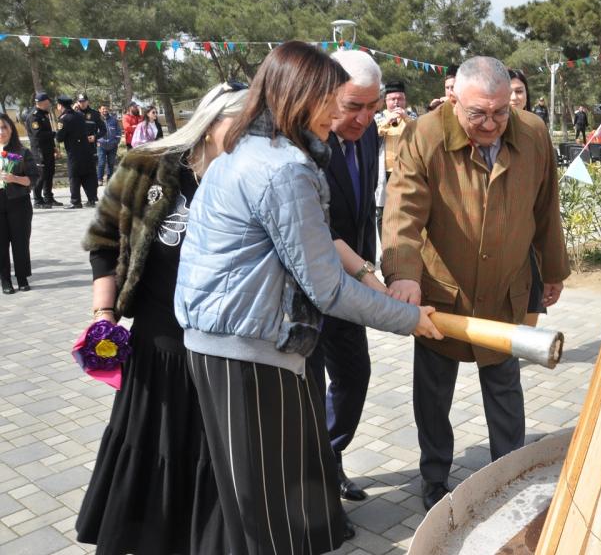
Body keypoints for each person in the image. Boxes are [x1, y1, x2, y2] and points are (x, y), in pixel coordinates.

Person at [174, 41, 442, 555]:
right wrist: (408, 318)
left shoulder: (248, 152)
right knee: (269, 507)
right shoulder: (284, 169)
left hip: (228, 341)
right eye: (330, 99)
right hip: (248, 351)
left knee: (246, 497)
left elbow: (319, 251)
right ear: (299, 97)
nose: (338, 114)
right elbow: (326, 288)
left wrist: (373, 280)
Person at [381, 56, 570, 511]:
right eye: (477, 114)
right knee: (433, 395)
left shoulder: (533, 133)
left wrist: (553, 270)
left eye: (500, 112)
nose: (490, 124)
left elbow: (546, 208)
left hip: (505, 290)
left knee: (505, 389)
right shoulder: (424, 135)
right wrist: (403, 275)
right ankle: (434, 478)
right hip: (443, 293)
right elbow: (403, 211)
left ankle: (509, 476)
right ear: (453, 99)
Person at [75, 82, 250, 555]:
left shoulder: (252, 176)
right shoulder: (146, 165)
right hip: (159, 348)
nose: (250, 135)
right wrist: (104, 314)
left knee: (214, 460)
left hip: (225, 350)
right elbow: (104, 242)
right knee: (155, 450)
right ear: (211, 121)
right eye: (242, 123)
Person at [304, 50, 383, 541]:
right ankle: (316, 489)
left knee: (354, 377)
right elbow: (320, 229)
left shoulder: (368, 134)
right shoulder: (302, 143)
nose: (364, 119)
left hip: (353, 286)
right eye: (354, 106)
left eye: (373, 107)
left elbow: (362, 211)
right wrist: (369, 277)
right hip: (308, 291)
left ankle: (329, 456)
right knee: (310, 388)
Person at [508, 68, 547, 327]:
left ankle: (524, 341)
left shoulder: (536, 128)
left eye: (519, 91)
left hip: (530, 226)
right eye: (509, 92)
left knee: (533, 294)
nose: (514, 97)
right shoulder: (488, 132)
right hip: (502, 231)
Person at [0, 112, 39, 294]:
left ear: (11, 129)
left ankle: (22, 277)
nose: (1, 131)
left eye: (4, 127)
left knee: (20, 242)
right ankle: (5, 280)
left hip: (18, 202)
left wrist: (14, 178)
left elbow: (33, 178)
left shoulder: (22, 152)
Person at [374, 80, 416, 239]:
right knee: (382, 211)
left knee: (405, 209)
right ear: (386, 101)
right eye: (392, 99)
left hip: (405, 170)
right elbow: (372, 136)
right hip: (384, 172)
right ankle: (385, 244)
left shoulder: (411, 116)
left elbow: (420, 133)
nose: (396, 102)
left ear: (405, 100)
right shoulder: (378, 117)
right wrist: (387, 121)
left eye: (400, 99)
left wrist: (405, 118)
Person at [56, 95, 99, 208]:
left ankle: (75, 201)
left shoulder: (64, 118)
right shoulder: (79, 115)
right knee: (86, 174)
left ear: (60, 105)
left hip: (73, 151)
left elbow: (59, 138)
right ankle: (91, 199)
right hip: (86, 149)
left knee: (74, 175)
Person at [26, 92, 61, 209]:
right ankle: (37, 200)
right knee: (41, 175)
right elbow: (38, 135)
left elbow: (47, 134)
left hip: (48, 149)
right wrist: (54, 134)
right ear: (40, 103)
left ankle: (48, 198)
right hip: (39, 151)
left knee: (49, 173)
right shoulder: (34, 116)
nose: (49, 104)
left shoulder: (43, 114)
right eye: (47, 102)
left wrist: (54, 148)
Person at [77, 94, 108, 170]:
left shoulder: (95, 114)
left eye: (84, 101)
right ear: (77, 102)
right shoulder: (74, 114)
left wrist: (95, 137)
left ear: (87, 102)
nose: (82, 103)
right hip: (77, 148)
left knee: (91, 171)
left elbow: (104, 130)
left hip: (91, 148)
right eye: (80, 102)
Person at [96, 103, 122, 185]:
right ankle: (99, 179)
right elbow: (93, 131)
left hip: (112, 145)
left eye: (106, 108)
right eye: (103, 109)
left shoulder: (114, 120)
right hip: (101, 145)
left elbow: (119, 131)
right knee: (101, 163)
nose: (105, 110)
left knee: (111, 163)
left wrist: (116, 141)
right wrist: (97, 142)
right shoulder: (97, 120)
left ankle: (110, 179)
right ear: (99, 110)